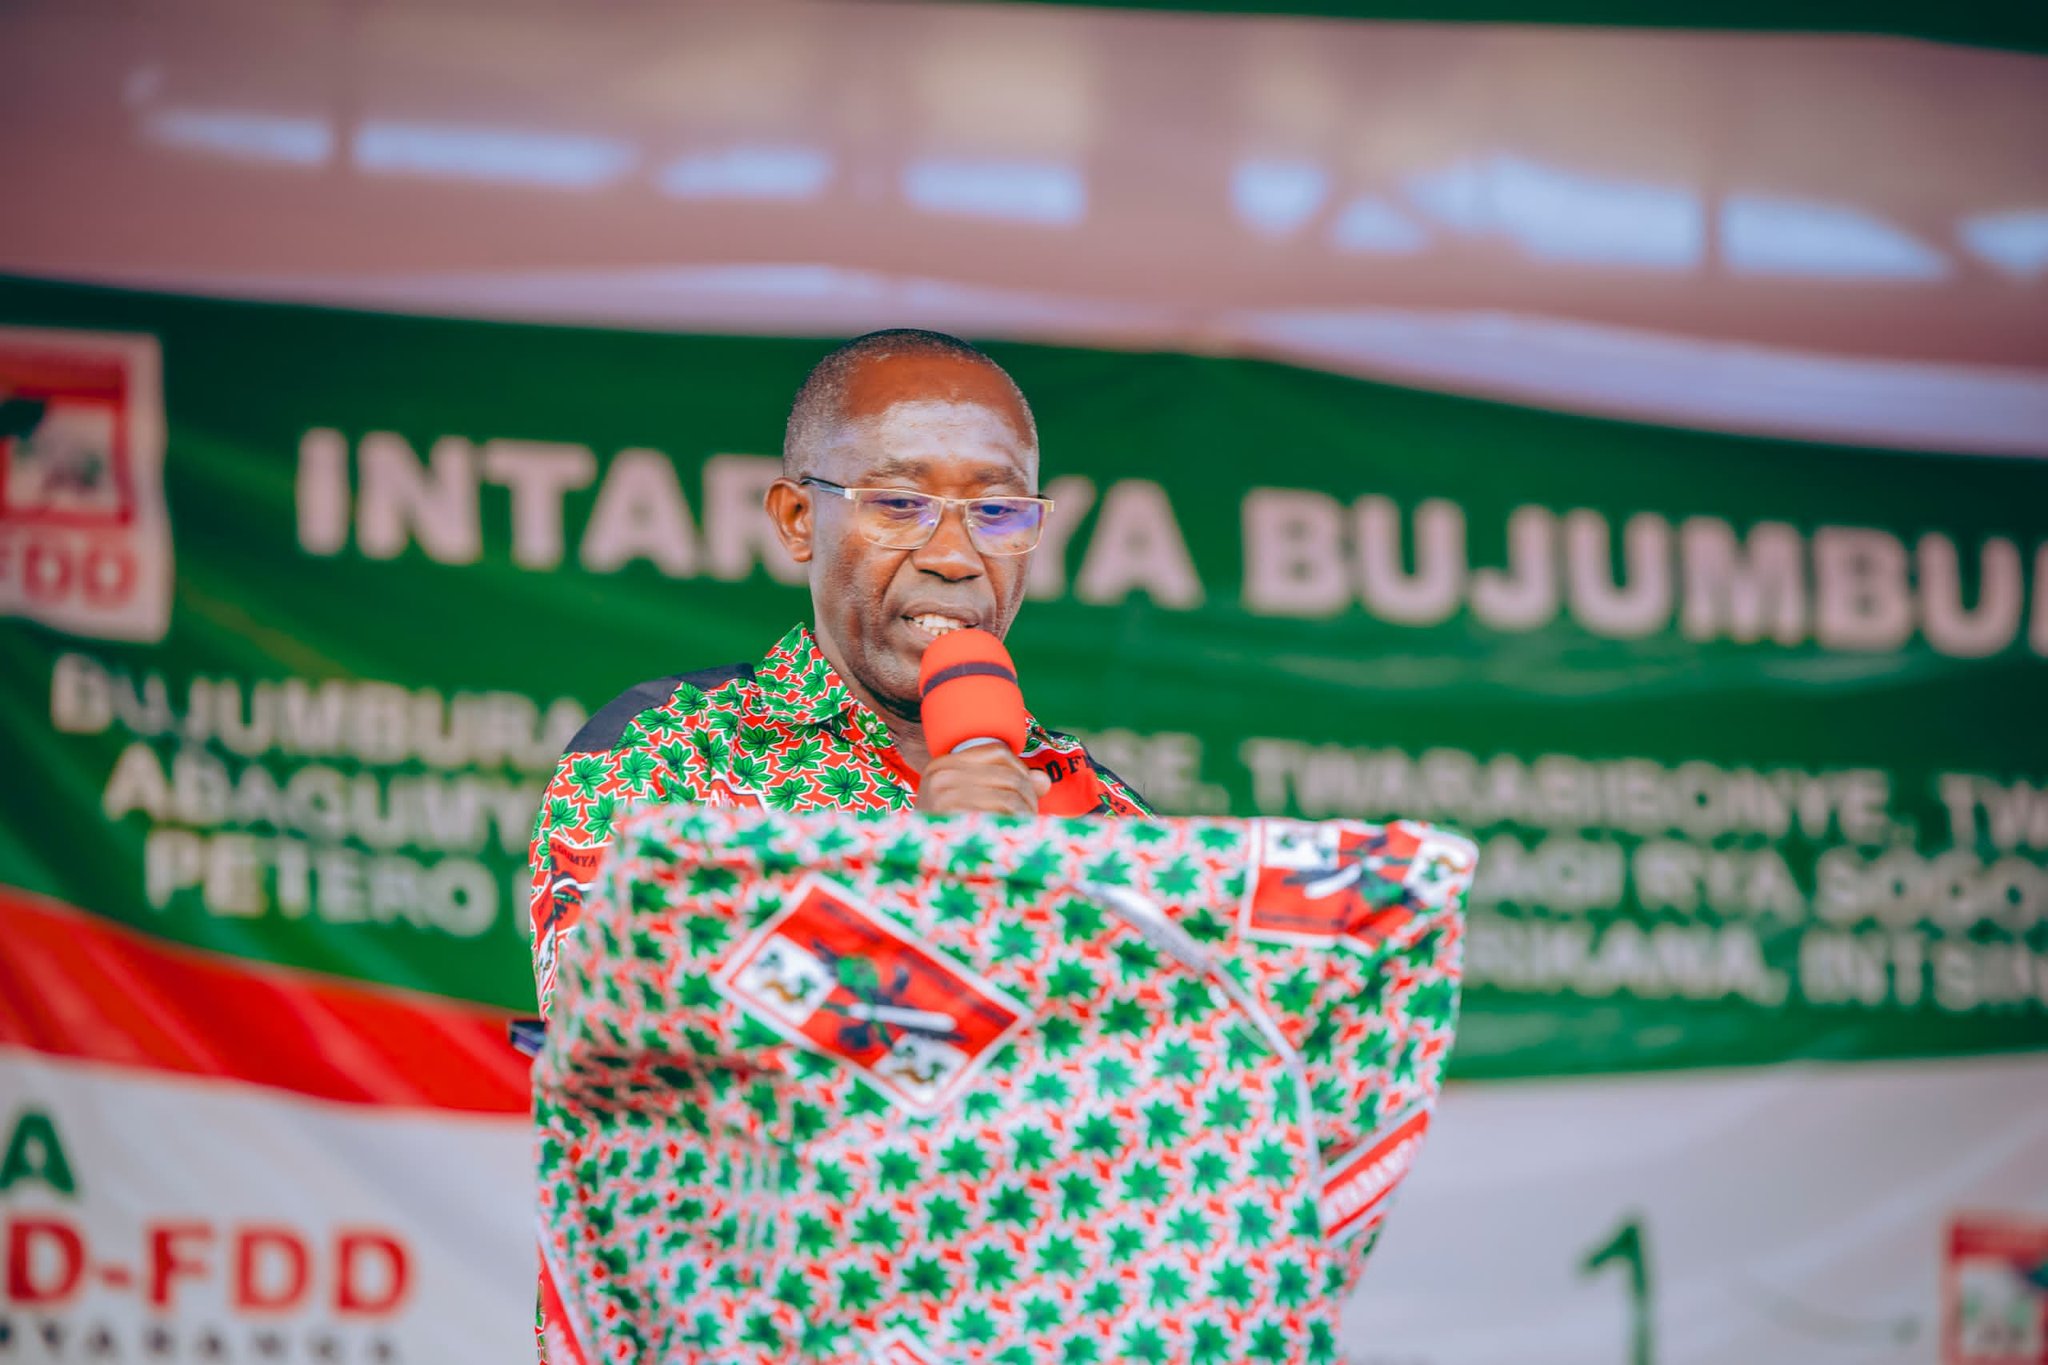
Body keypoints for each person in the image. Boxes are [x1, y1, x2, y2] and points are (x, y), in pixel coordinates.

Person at [526, 328, 1149, 1021]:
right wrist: (915, 875)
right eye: (899, 504)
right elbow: (614, 1034)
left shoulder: (1103, 812)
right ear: (798, 519)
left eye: (997, 511)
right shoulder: (668, 753)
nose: (954, 557)